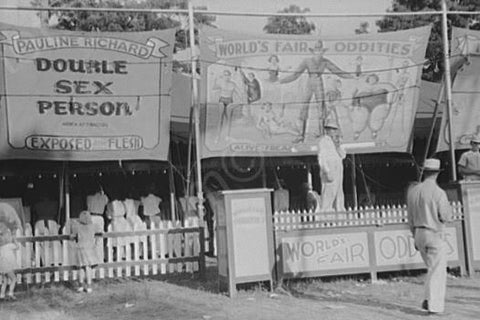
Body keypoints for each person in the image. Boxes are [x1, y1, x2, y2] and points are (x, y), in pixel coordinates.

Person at [278, 40, 355, 143]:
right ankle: (301, 135)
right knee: (304, 107)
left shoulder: (325, 62)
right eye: (316, 50)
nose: (318, 53)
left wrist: (352, 77)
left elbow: (338, 71)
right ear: (313, 52)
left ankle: (322, 134)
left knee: (321, 108)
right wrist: (282, 81)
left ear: (322, 52)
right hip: (309, 82)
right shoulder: (307, 61)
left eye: (320, 51)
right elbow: (296, 74)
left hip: (319, 82)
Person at [406, 158, 452, 315]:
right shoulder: (439, 193)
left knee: (431, 268)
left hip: (418, 232)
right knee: (437, 270)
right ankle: (434, 305)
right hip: (433, 232)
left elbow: (410, 218)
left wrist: (414, 236)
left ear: (423, 172)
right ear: (436, 174)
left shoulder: (414, 191)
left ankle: (428, 298)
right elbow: (445, 216)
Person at [317, 120, 346, 212]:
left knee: (339, 192)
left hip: (338, 169)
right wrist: (326, 170)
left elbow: (343, 155)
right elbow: (321, 157)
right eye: (332, 129)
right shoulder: (323, 141)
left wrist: (338, 145)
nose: (333, 131)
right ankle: (326, 212)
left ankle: (339, 210)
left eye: (335, 129)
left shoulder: (336, 141)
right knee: (329, 192)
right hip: (330, 170)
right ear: (327, 130)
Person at [70, 211, 102, 293]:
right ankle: (89, 286)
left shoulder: (77, 227)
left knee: (81, 267)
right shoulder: (93, 226)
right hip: (90, 248)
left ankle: (80, 286)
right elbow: (100, 233)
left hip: (80, 248)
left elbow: (72, 237)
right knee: (88, 268)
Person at [0, 222, 19, 301]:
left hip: (2, 266)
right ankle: (10, 293)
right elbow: (17, 246)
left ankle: (2, 295)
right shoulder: (9, 246)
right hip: (8, 266)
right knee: (14, 279)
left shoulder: (1, 247)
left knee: (5, 281)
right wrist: (15, 239)